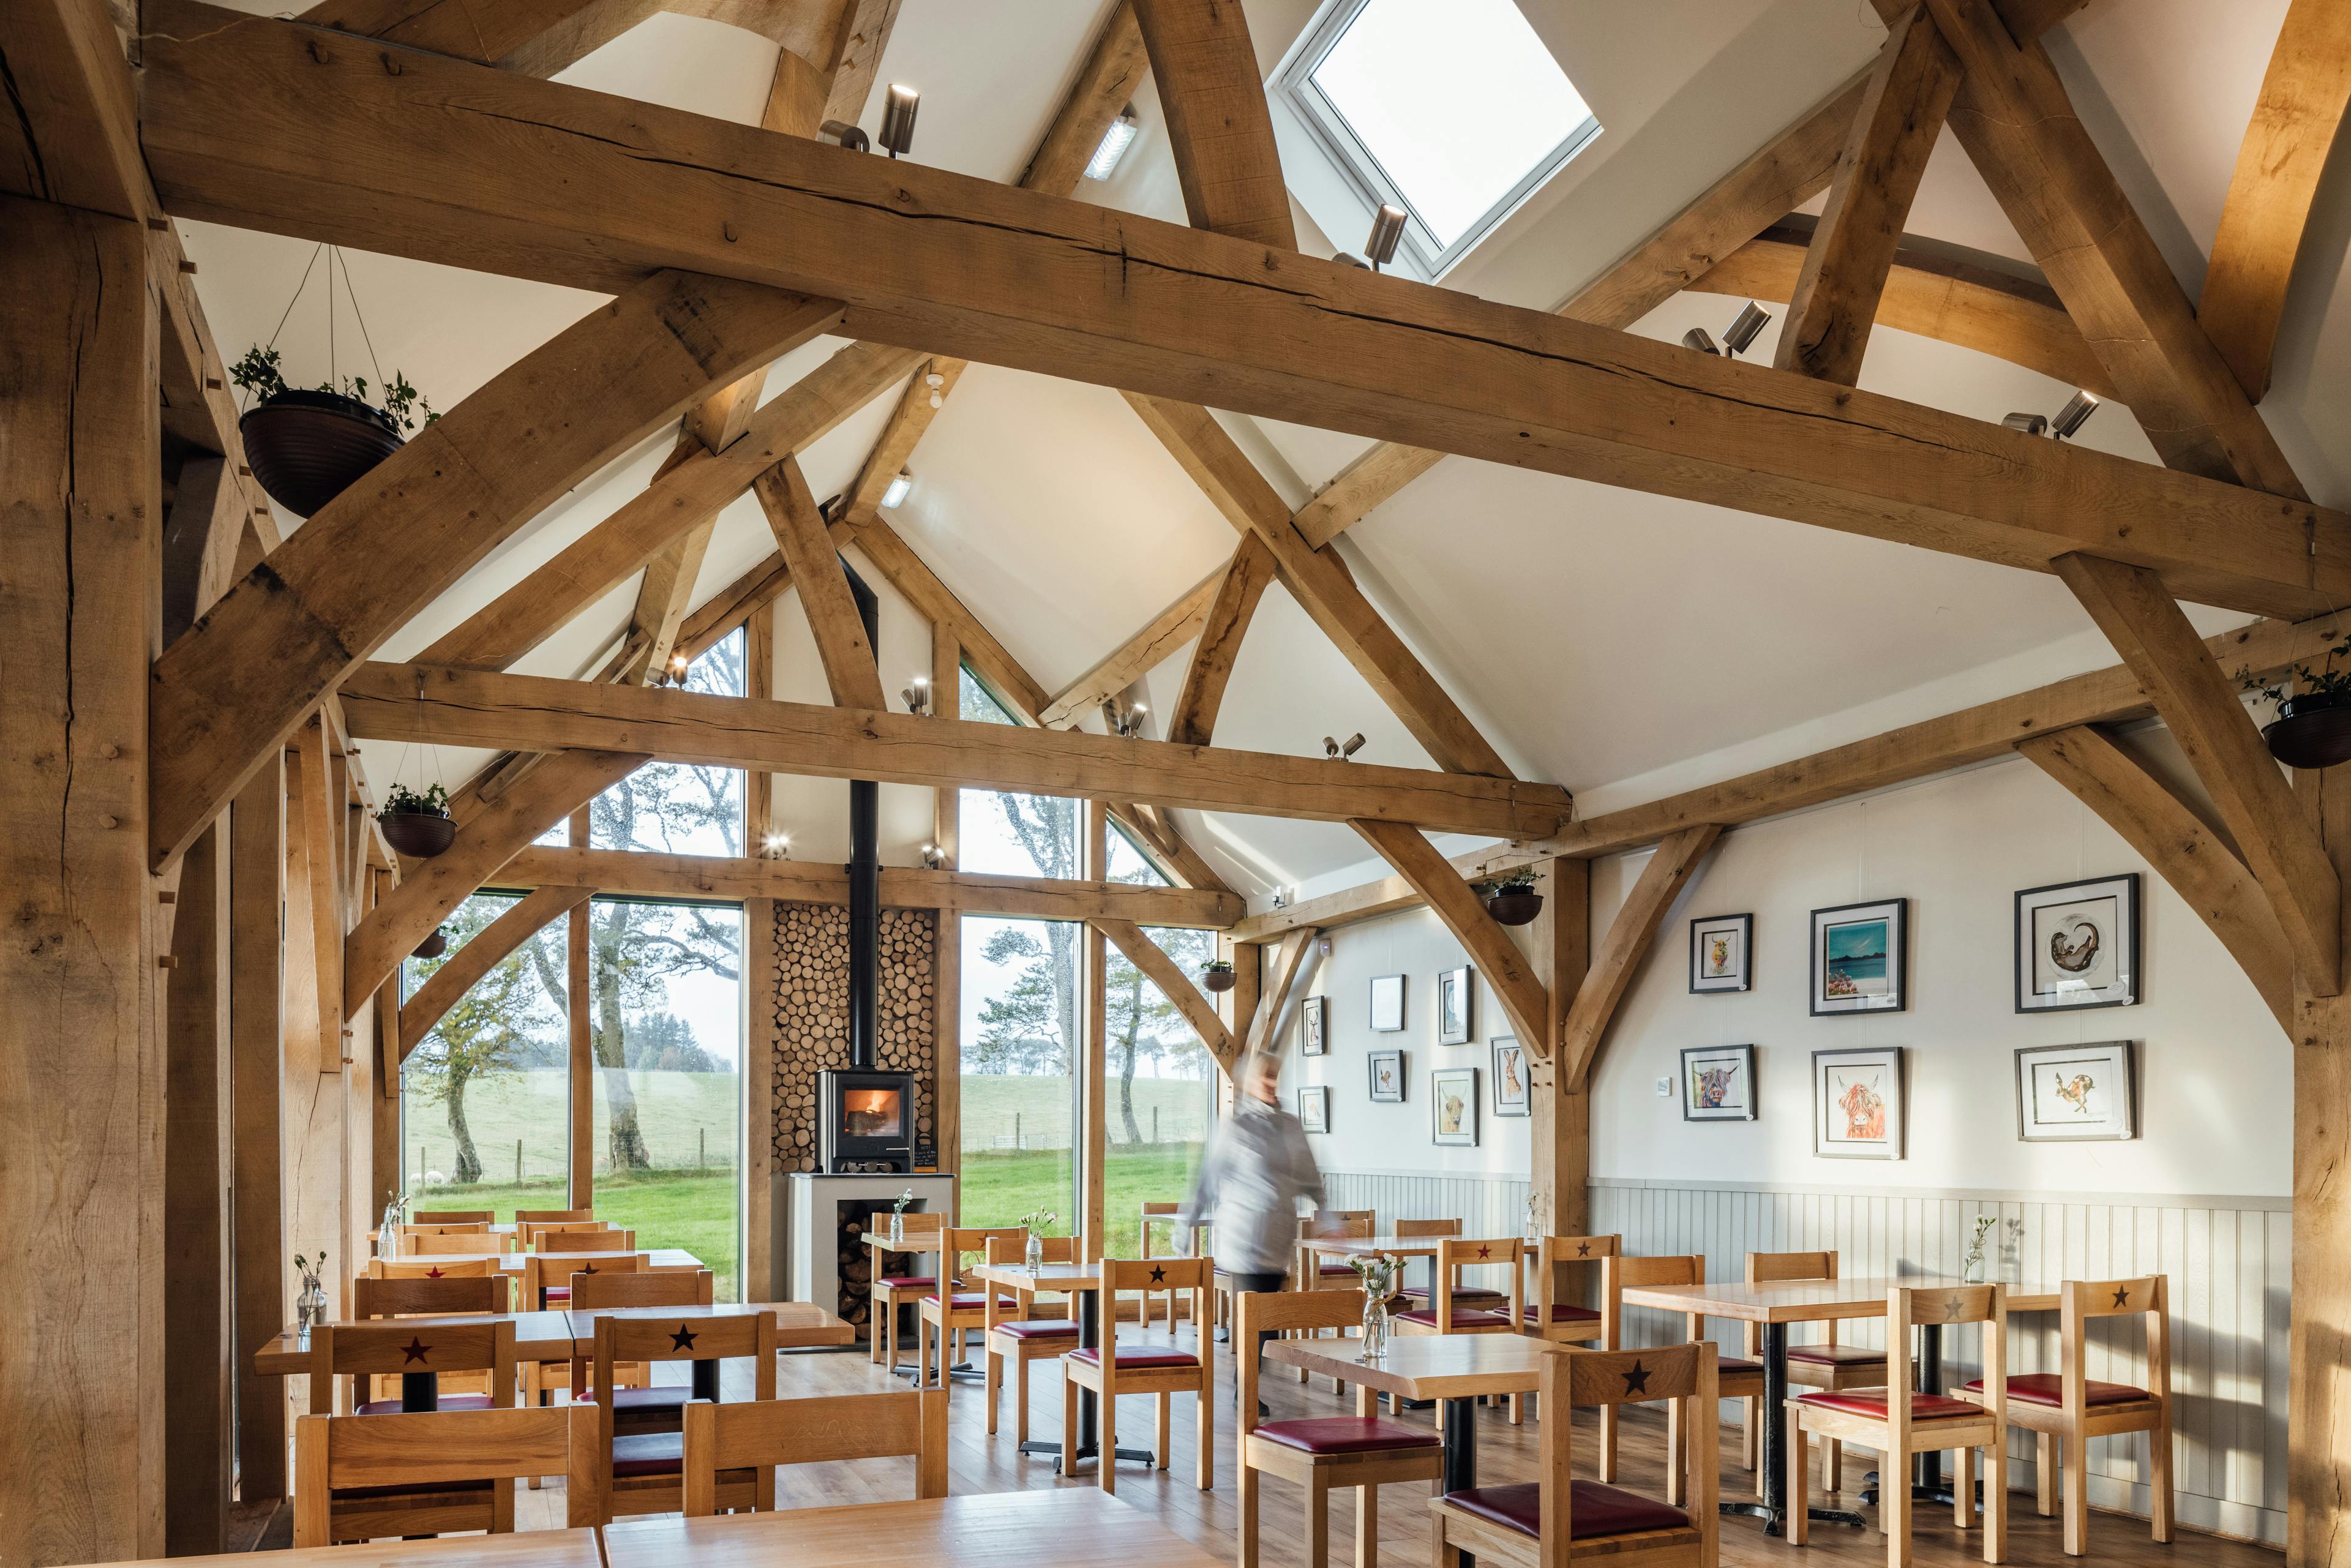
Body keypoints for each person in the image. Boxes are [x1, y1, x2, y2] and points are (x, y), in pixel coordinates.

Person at [1176, 1052, 1331, 1410]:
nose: (1272, 1083)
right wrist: (1189, 1221)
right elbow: (1208, 1178)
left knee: (1269, 1326)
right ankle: (1244, 1392)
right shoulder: (1237, 1126)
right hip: (1244, 1238)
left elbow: (1309, 1174)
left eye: (1275, 1076)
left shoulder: (1290, 1124)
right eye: (1265, 1077)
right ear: (1250, 1082)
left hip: (1278, 1238)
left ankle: (1245, 1385)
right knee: (1255, 1320)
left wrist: (1327, 1212)